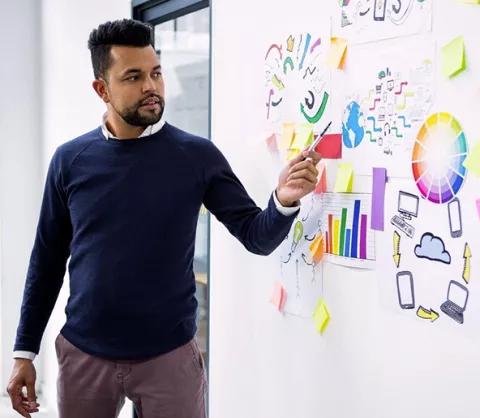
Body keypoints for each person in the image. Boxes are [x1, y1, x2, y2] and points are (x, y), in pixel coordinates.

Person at [6, 18, 321, 418]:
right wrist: (24, 351)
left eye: (155, 73)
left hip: (170, 358)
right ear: (101, 89)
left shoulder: (197, 156)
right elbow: (47, 261)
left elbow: (255, 235)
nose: (151, 86)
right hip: (85, 355)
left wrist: (283, 200)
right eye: (133, 77)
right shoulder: (70, 161)